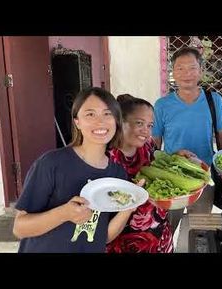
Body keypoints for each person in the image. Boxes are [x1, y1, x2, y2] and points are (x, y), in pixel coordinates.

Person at [12, 87, 133, 253]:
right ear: (77, 121)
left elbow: (102, 237)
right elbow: (19, 228)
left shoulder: (117, 174)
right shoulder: (51, 164)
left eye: (107, 114)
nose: (100, 122)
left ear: (116, 121)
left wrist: (129, 207)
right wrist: (64, 214)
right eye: (90, 114)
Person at [152, 47, 222, 232]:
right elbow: (154, 146)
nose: (186, 74)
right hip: (170, 179)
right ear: (173, 72)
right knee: (165, 231)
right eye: (180, 68)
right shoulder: (162, 105)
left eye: (192, 68)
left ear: (201, 71)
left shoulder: (215, 101)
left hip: (203, 178)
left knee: (199, 233)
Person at [106, 94, 173, 253]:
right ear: (121, 122)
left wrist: (176, 158)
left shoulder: (148, 146)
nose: (146, 131)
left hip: (160, 236)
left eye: (150, 125)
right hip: (126, 242)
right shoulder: (107, 160)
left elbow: (158, 170)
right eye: (139, 123)